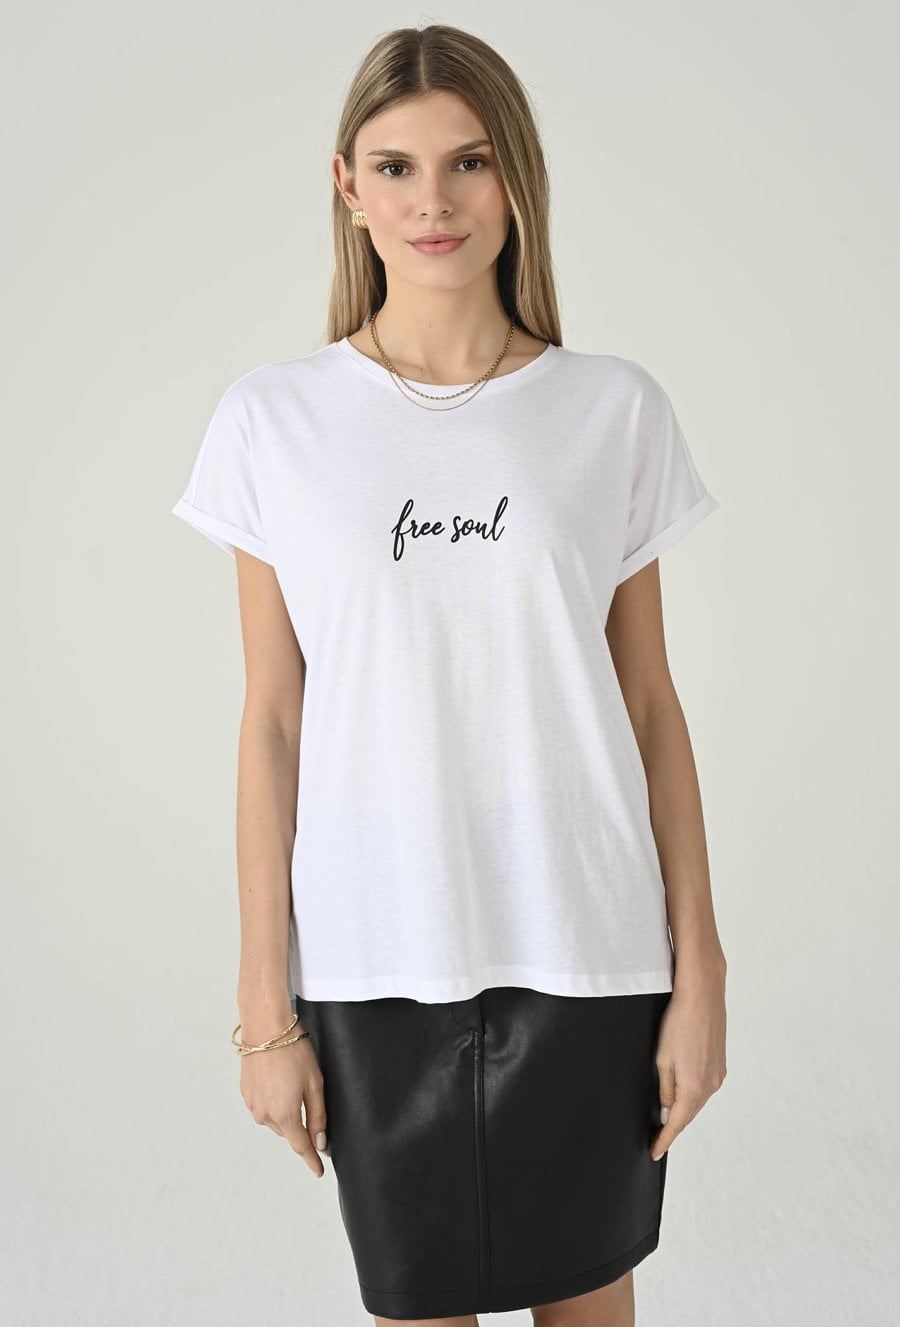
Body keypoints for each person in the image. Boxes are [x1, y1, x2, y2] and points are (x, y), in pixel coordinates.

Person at [170, 22, 728, 1327]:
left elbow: (649, 707)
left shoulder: (612, 409)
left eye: (470, 162)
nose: (434, 201)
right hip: (375, 954)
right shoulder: (273, 421)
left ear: (517, 177)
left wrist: (700, 970)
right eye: (397, 166)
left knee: (589, 1307)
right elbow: (272, 722)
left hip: (588, 950)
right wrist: (264, 1006)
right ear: (347, 187)